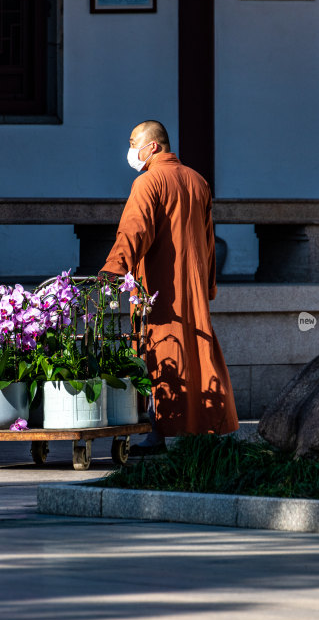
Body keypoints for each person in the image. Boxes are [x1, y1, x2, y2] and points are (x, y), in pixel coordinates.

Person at [98, 120, 239, 452]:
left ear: (153, 146)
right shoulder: (198, 181)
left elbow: (134, 231)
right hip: (191, 286)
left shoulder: (148, 182)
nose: (131, 150)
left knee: (162, 351)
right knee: (197, 350)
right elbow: (208, 240)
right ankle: (208, 427)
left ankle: (160, 430)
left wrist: (113, 270)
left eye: (134, 143)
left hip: (160, 285)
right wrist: (207, 286)